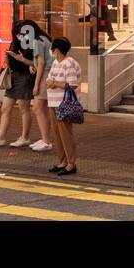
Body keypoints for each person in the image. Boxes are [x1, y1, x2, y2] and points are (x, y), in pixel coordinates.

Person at [0, 20, 37, 148]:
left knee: (24, 108)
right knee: (5, 108)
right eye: (17, 33)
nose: (19, 35)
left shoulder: (32, 43)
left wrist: (20, 59)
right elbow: (10, 60)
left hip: (24, 77)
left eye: (21, 32)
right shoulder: (16, 42)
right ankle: (0, 137)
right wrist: (8, 57)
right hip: (13, 75)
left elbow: (35, 62)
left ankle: (25, 137)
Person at [46, 36, 81, 176]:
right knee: (57, 134)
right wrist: (50, 82)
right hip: (53, 102)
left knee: (65, 134)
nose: (51, 51)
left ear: (57, 50)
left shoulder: (69, 64)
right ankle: (62, 161)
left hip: (63, 104)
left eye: (52, 49)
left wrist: (54, 83)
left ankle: (71, 164)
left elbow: (72, 85)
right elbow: (49, 78)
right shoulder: (56, 62)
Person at [27, 22, 56, 152]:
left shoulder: (37, 41)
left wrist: (36, 84)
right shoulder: (44, 38)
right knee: (43, 109)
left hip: (45, 75)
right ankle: (45, 138)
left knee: (37, 108)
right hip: (49, 73)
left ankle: (46, 141)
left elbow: (41, 63)